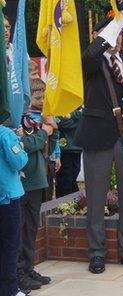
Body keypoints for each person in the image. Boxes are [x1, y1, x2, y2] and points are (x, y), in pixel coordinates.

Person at [74, 8, 123, 274]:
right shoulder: (93, 63)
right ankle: (97, 252)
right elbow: (90, 55)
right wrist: (111, 28)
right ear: (99, 36)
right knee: (96, 198)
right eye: (112, 34)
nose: (117, 39)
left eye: (120, 34)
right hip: (99, 138)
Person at [17, 78, 56, 292]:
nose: (40, 101)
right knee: (21, 229)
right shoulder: (19, 121)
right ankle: (19, 272)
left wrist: (50, 125)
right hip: (25, 181)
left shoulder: (36, 119)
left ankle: (29, 267)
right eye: (37, 97)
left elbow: (54, 135)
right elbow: (28, 144)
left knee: (32, 227)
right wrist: (44, 131)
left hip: (38, 180)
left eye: (43, 97)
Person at [0, 124, 28, 296]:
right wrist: (20, 145)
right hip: (7, 196)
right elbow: (19, 160)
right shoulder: (4, 133)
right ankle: (9, 290)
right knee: (10, 245)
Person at [55, 107, 83, 198]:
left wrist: (71, 115)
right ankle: (64, 205)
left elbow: (84, 117)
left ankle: (72, 204)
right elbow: (61, 123)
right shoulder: (59, 104)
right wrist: (77, 121)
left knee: (74, 175)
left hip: (77, 147)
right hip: (63, 149)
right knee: (65, 181)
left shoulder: (79, 103)